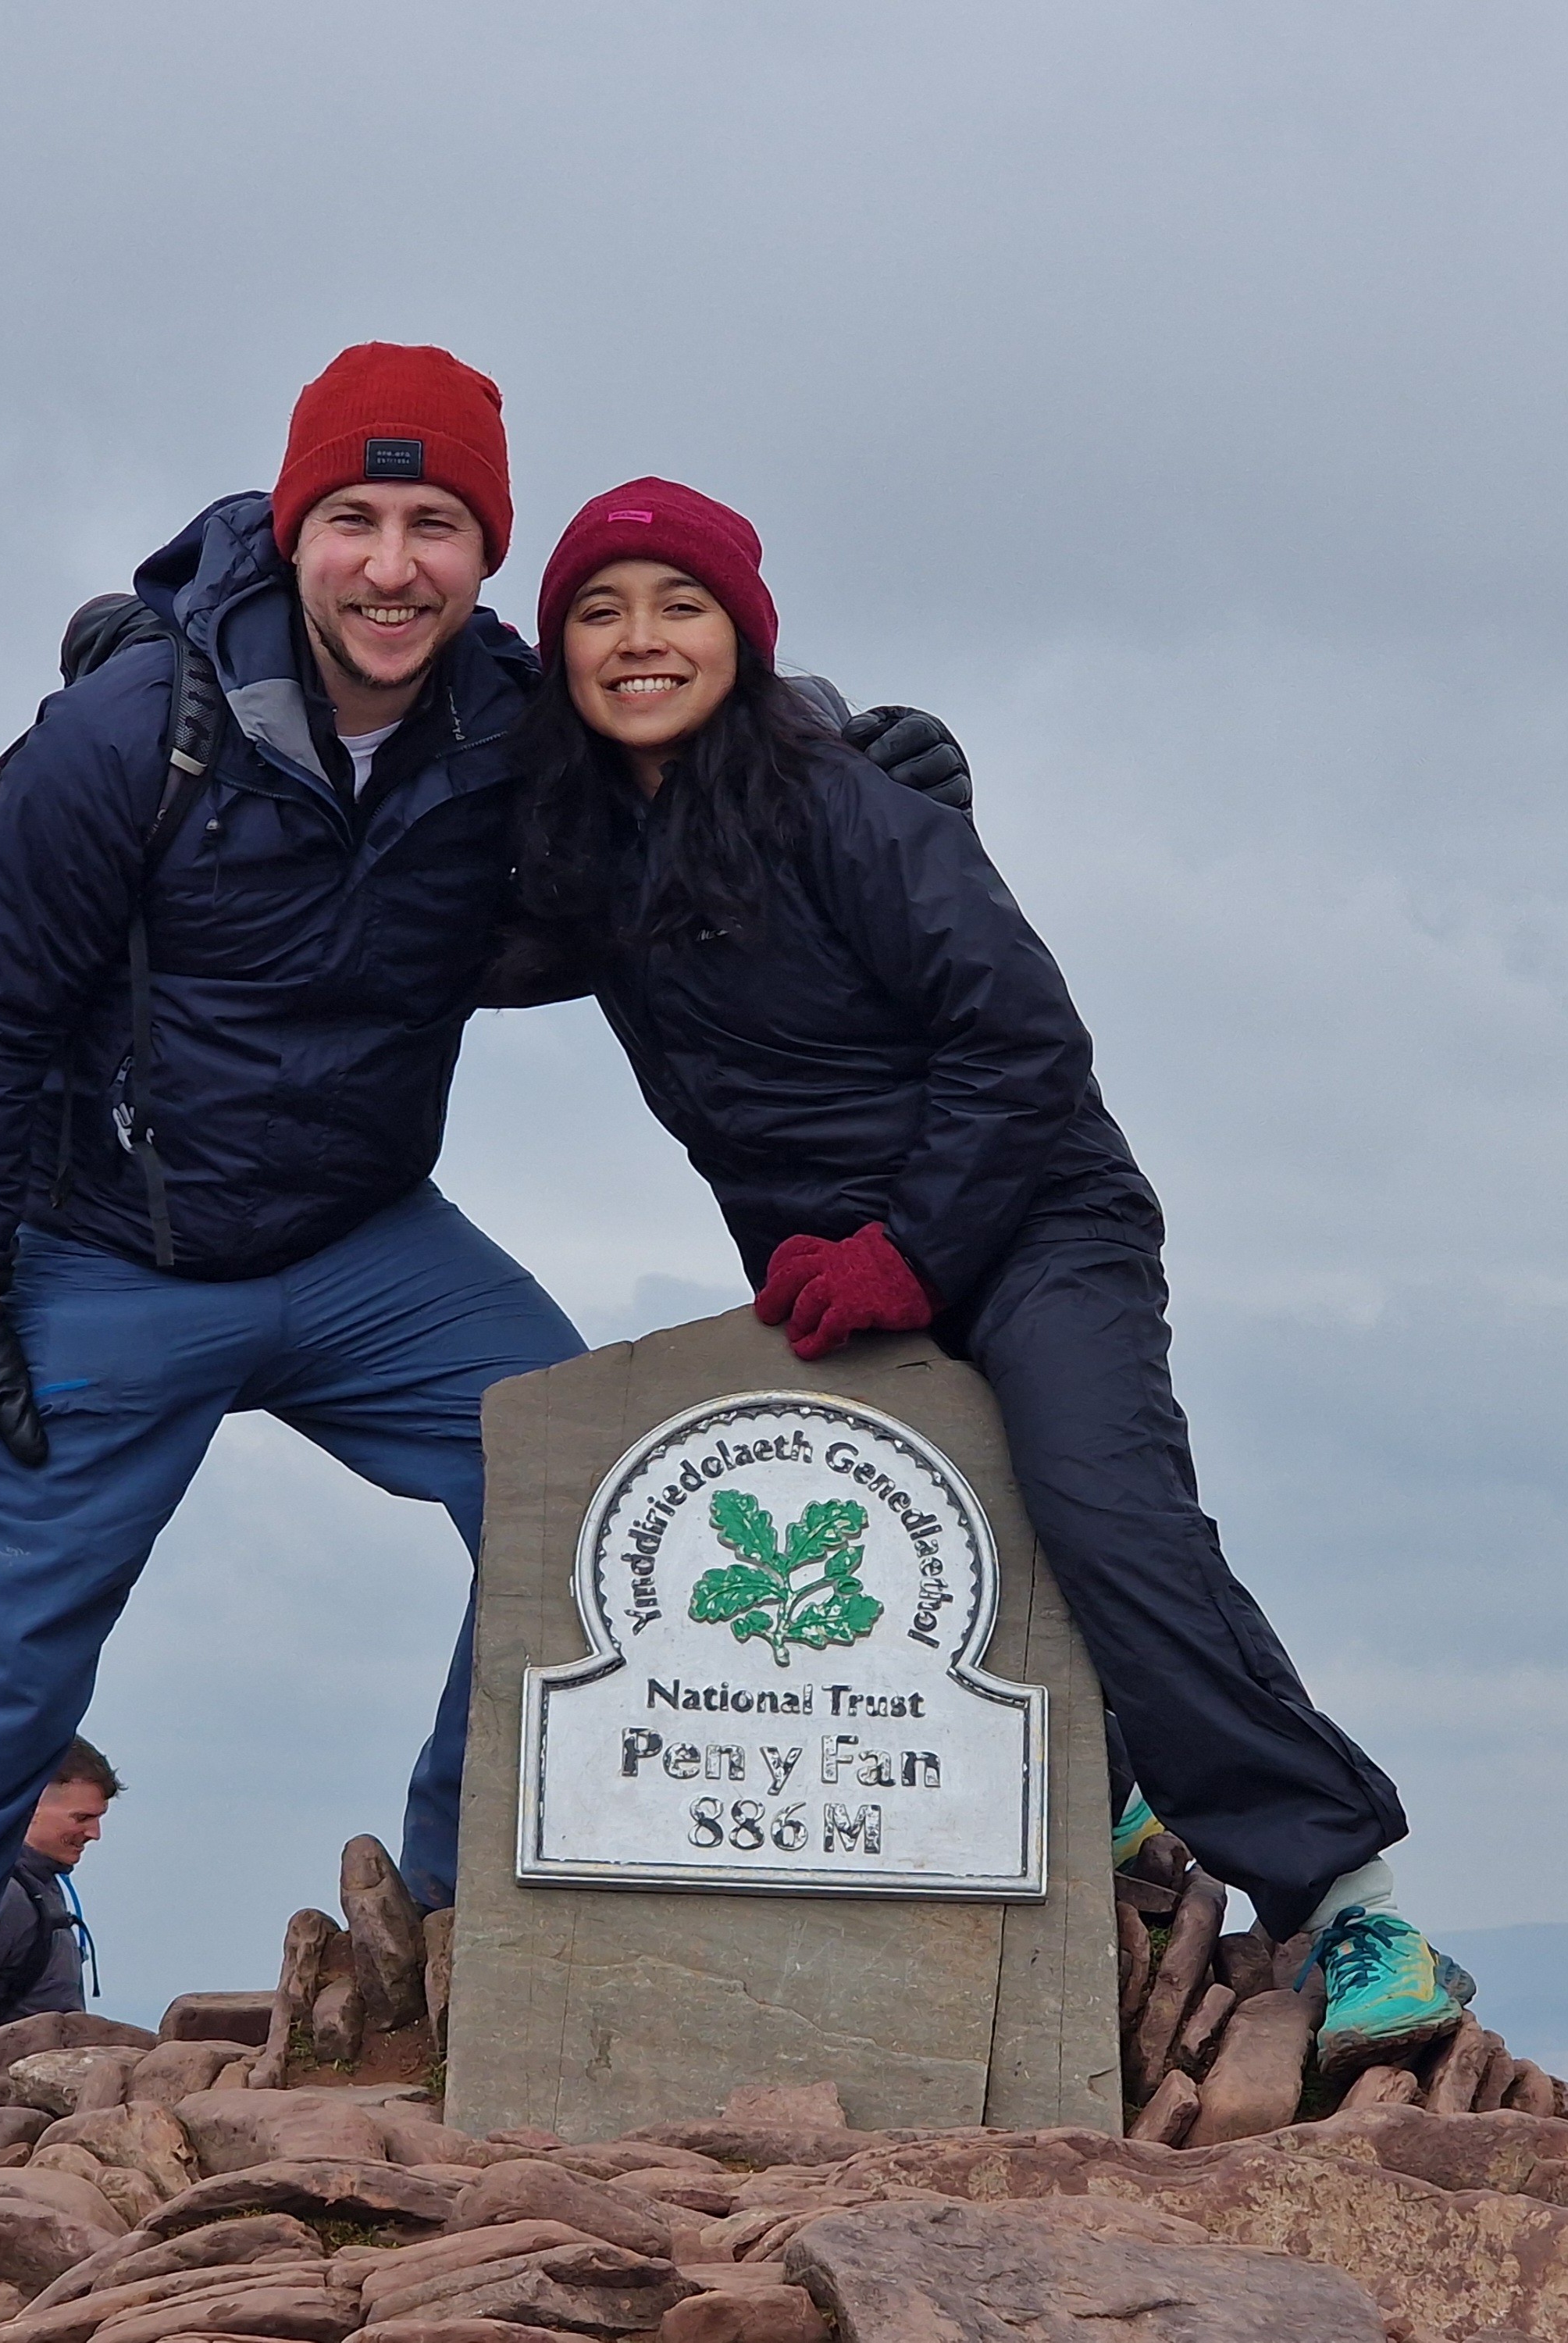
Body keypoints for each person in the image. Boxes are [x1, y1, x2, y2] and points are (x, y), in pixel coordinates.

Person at [0, 347, 965, 2148]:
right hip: (111, 1249)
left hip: (360, 1242)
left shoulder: (502, 721)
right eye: (356, 519)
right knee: (3, 1645)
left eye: (436, 525)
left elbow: (681, 775)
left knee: (591, 1491)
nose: (392, 564)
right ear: (294, 527)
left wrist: (848, 773)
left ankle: (443, 1922)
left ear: (483, 549)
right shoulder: (127, 737)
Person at [492, 476, 1465, 2078]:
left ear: (742, 632)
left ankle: (1350, 1901)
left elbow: (1021, 1041)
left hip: (1028, 1222)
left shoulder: (841, 801)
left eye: (680, 606)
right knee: (859, 1542)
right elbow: (379, 915)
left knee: (1105, 1512)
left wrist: (912, 1252)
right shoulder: (578, 843)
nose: (640, 640)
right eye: (598, 611)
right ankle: (1104, 1794)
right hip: (843, 1271)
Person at [0, 1737, 116, 2049]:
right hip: (3, 2092)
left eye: (99, 1818)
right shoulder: (2, 1895)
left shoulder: (42, 1887)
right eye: (82, 1818)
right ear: (30, 1805)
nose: (95, 1834)